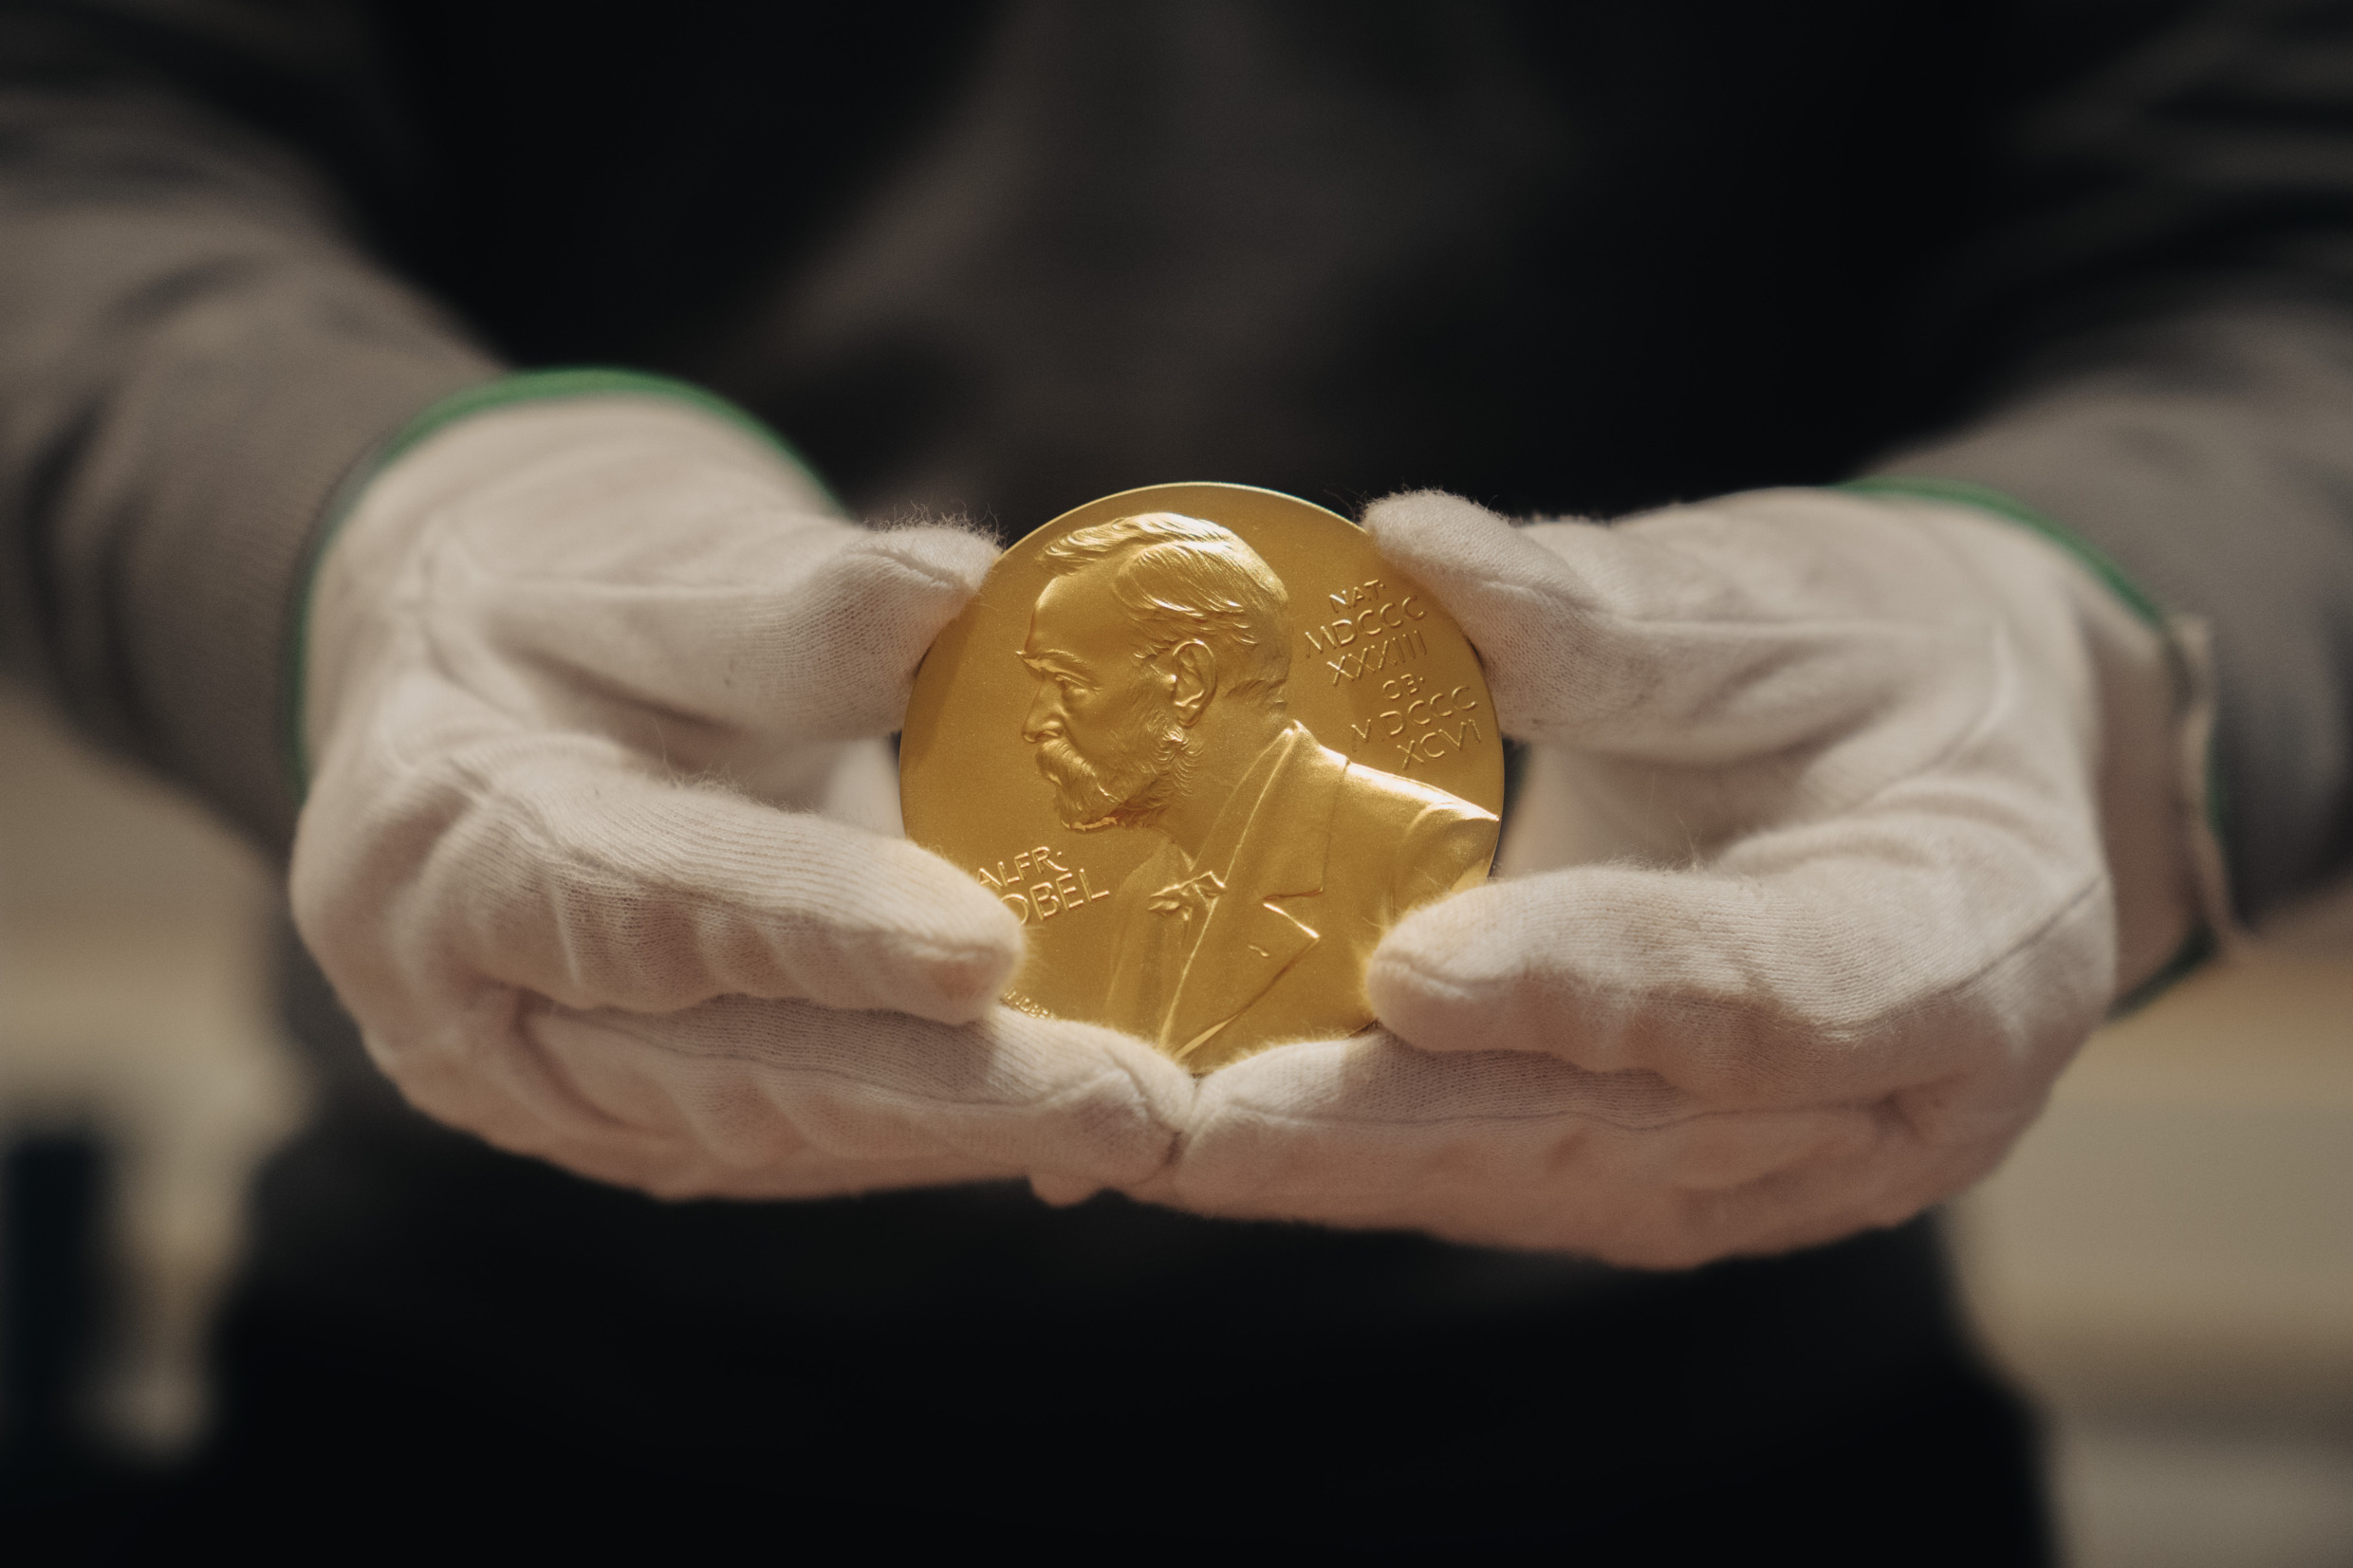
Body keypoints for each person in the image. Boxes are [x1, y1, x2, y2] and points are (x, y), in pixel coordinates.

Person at [4, 1, 2351, 1558]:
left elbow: (2283, 256)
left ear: (1220, 691)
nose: (1047, 722)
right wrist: (346, 524)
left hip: (1693, 1420)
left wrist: (2097, 641)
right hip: (473, 1418)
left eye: (1114, 693)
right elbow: (77, 128)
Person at [1019, 510, 1497, 1063]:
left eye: (1067, 681)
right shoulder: (1143, 897)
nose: (1034, 723)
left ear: (1188, 682)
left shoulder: (1430, 850)